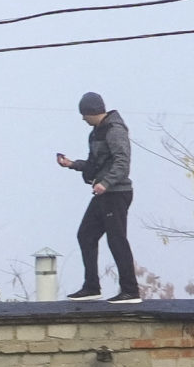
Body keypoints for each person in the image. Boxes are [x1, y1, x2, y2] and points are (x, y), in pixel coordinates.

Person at [57, 92, 137, 302]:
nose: (83, 119)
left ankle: (130, 290)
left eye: (84, 114)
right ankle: (92, 287)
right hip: (102, 193)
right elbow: (95, 164)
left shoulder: (115, 130)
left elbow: (122, 162)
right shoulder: (95, 133)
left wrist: (106, 183)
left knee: (116, 240)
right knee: (86, 235)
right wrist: (72, 164)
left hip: (117, 193)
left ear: (92, 112)